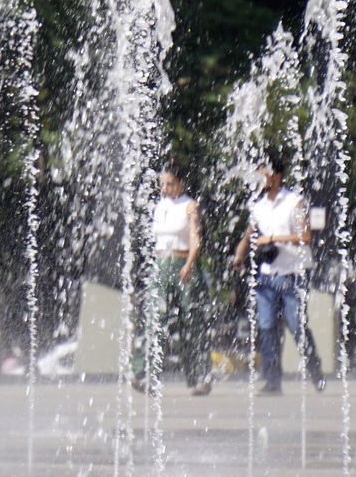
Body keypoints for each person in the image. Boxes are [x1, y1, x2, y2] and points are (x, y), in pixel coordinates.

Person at [232, 156, 323, 395]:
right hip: (266, 276)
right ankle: (272, 382)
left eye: (264, 174)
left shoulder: (294, 202)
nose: (260, 178)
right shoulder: (258, 205)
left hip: (292, 274)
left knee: (297, 327)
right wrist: (238, 257)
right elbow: (248, 235)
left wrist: (273, 240)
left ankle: (315, 371)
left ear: (277, 176)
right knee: (266, 327)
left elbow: (305, 237)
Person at [133, 161, 212, 396]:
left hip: (182, 263)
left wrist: (189, 263)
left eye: (170, 184)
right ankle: (144, 373)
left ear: (181, 184)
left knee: (191, 320)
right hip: (161, 264)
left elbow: (196, 238)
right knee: (155, 318)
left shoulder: (189, 206)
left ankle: (200, 376)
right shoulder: (159, 206)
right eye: (162, 184)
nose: (165, 188)